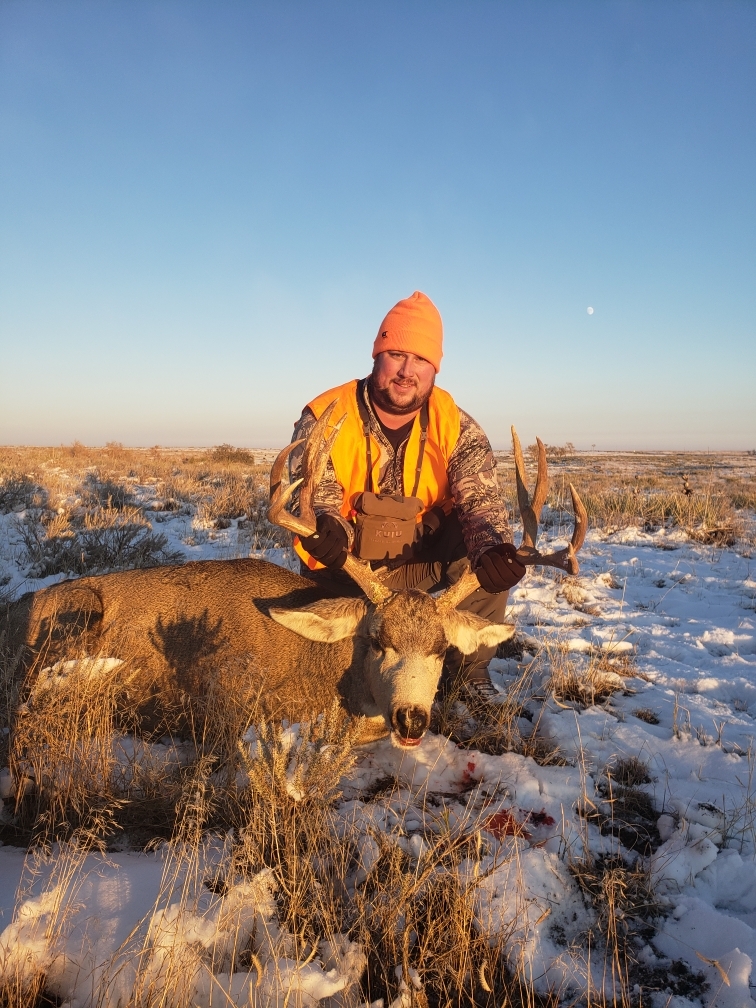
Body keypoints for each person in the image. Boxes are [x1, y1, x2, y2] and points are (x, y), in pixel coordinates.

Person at [288, 291, 525, 703]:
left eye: (421, 360)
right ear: (376, 355)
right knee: (329, 666)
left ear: (435, 368)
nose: (406, 371)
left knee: (482, 552)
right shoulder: (326, 415)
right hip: (346, 569)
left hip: (417, 564)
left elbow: (481, 503)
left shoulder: (456, 427)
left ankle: (468, 676)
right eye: (396, 354)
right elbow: (312, 494)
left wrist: (493, 549)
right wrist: (326, 525)